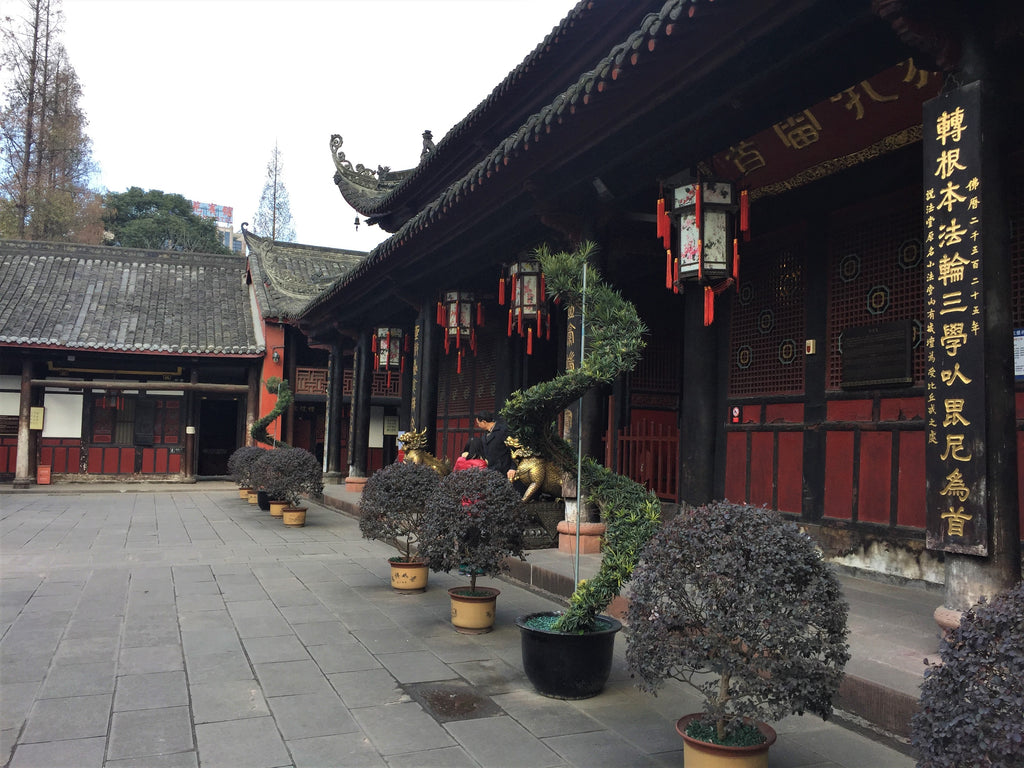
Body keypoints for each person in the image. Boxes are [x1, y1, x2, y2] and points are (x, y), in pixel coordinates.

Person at [474, 411, 513, 476]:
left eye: (478, 423)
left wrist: (513, 468)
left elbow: (512, 450)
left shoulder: (503, 430)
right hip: (491, 471)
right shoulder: (484, 435)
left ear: (484, 422)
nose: (478, 426)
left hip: (504, 470)